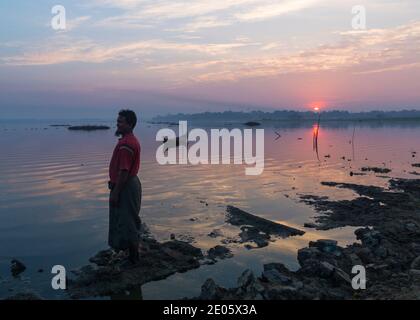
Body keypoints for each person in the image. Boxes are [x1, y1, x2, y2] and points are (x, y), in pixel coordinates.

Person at [108, 109, 142, 265]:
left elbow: (123, 171)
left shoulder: (127, 144)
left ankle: (134, 259)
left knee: (128, 222)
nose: (117, 124)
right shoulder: (129, 140)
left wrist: (115, 192)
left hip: (126, 186)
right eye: (118, 121)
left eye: (121, 121)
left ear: (130, 124)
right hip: (130, 183)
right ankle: (131, 255)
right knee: (128, 220)